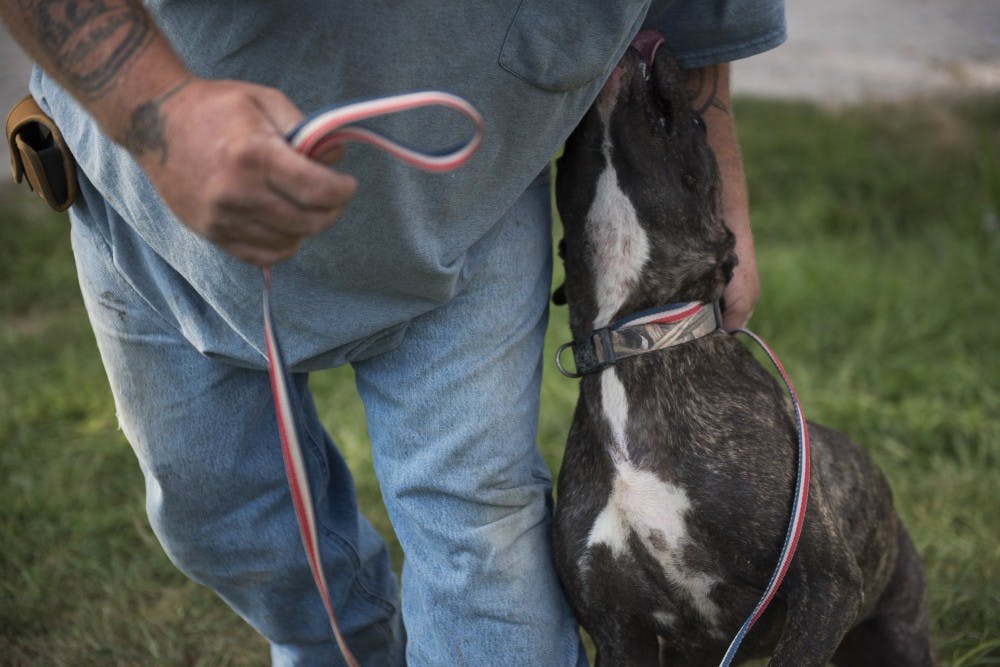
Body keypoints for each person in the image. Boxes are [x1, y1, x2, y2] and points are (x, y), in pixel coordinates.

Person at [2, 1, 784, 664]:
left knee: (479, 540)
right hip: (159, 203)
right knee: (221, 516)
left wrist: (717, 176)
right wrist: (159, 112)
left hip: (470, 191)